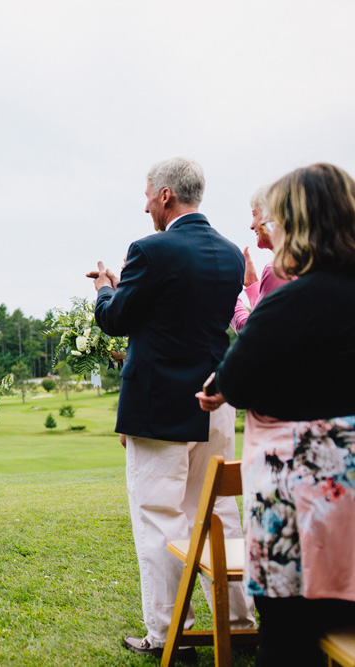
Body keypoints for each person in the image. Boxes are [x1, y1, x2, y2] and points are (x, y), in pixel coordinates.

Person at [87, 157, 255, 658]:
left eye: (146, 195)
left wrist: (103, 288)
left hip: (158, 404)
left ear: (164, 196)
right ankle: (239, 624)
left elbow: (117, 319)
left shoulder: (149, 250)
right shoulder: (228, 254)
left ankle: (169, 633)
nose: (144, 206)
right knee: (220, 509)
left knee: (159, 515)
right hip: (214, 402)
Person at [197, 163, 355, 666]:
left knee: (288, 641)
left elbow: (238, 379)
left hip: (305, 503)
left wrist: (219, 387)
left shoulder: (292, 300)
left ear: (297, 224)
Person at [229, 185, 292, 332]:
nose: (251, 226)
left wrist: (227, 293)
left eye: (254, 214)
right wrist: (252, 283)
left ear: (273, 217)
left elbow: (251, 332)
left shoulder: (278, 269)